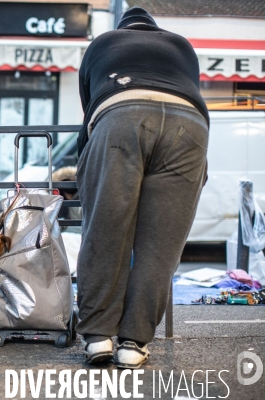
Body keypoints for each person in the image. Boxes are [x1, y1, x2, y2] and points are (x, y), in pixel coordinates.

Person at [75, 7, 209, 369]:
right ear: (155, 29)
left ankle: (98, 338)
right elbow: (192, 90)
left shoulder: (102, 42)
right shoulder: (182, 46)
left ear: (123, 29)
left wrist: (84, 169)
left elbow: (90, 111)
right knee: (160, 244)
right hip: (190, 127)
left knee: (106, 232)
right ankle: (133, 344)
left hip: (121, 115)